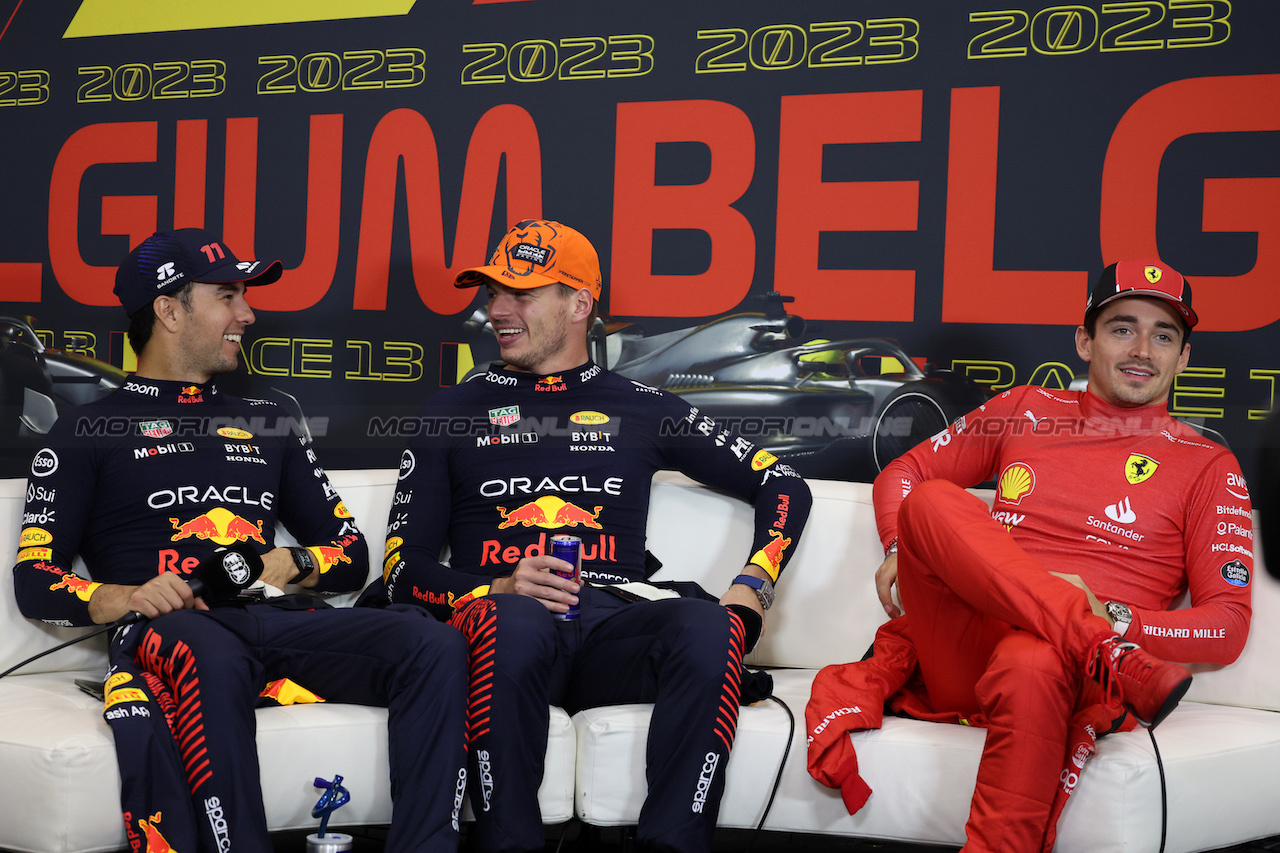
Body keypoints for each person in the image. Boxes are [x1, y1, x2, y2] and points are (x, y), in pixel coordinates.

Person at [358, 219, 812, 853]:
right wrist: (497, 586)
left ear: (579, 304)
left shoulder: (644, 405)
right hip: (504, 633)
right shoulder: (448, 412)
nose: (496, 309)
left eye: (521, 293)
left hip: (610, 630)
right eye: (492, 292)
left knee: (711, 626)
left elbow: (785, 485)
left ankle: (674, 845)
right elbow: (404, 571)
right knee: (512, 619)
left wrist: (751, 587)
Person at [12, 229, 468, 852]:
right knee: (209, 652)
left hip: (278, 618)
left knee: (431, 641)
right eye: (226, 296)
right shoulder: (86, 428)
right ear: (169, 310)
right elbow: (36, 581)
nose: (247, 314)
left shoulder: (269, 415)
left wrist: (295, 561)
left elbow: (352, 555)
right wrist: (129, 597)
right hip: (177, 630)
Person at [809, 257, 1252, 852]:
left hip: (1064, 675)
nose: (1142, 348)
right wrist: (899, 543)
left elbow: (1226, 626)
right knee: (935, 501)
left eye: (1164, 334)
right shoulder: (1023, 408)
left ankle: (1090, 645)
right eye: (1122, 328)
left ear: (1184, 357)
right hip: (965, 645)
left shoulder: (1207, 465)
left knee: (1034, 658)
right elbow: (905, 474)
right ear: (1084, 340)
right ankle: (1103, 648)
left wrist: (1117, 615)